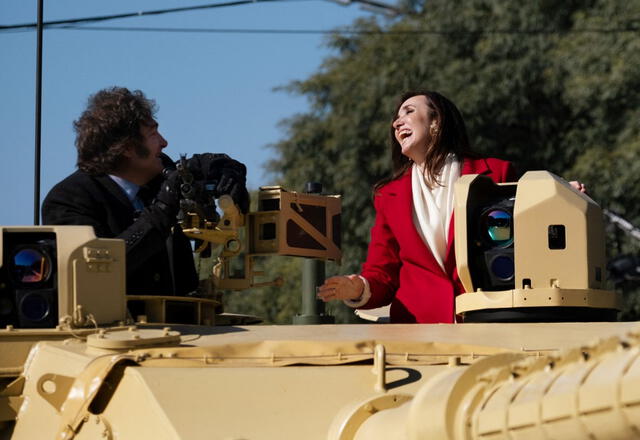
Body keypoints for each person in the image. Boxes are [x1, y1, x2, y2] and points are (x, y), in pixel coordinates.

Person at [317, 90, 516, 323]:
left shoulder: (496, 173)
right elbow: (382, 272)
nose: (396, 123)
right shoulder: (388, 196)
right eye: (396, 118)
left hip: (488, 321)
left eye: (409, 111)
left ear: (436, 122)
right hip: (418, 331)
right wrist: (358, 288)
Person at [42, 87, 249, 297]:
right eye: (153, 134)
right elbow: (96, 269)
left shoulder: (158, 174)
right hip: (115, 327)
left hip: (186, 324)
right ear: (127, 148)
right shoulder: (68, 200)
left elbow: (195, 168)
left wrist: (227, 169)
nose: (164, 142)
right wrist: (161, 212)